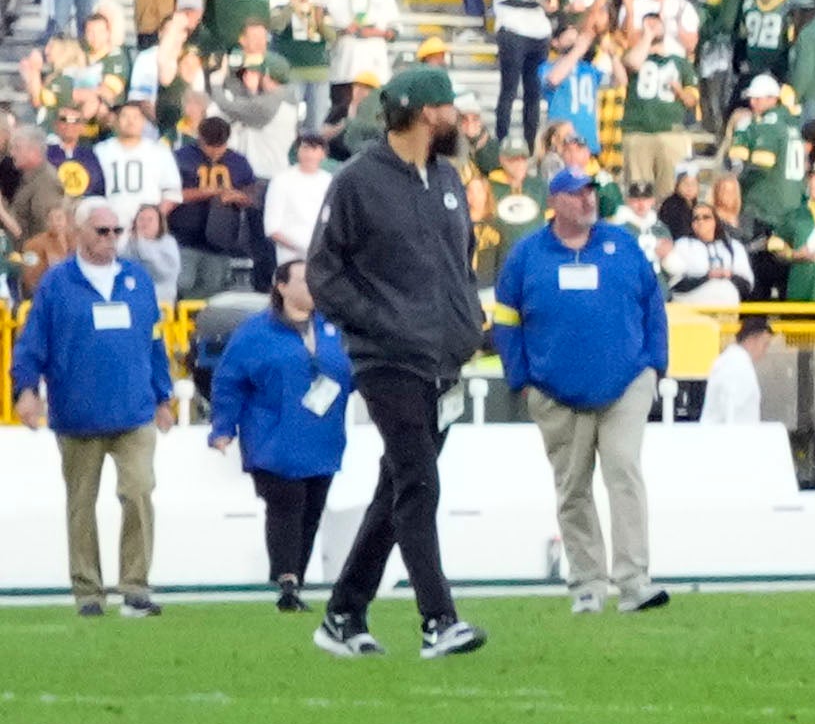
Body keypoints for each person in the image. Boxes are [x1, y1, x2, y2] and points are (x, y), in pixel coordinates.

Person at [306, 64, 490, 658]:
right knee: (418, 480)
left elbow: (459, 264)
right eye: (447, 108)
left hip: (442, 357)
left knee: (399, 485)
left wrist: (465, 327)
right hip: (387, 358)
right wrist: (382, 321)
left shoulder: (447, 178)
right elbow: (324, 273)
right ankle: (438, 618)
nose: (456, 118)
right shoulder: (358, 182)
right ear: (419, 113)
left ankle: (344, 612)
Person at [492, 167, 669, 616]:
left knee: (624, 470)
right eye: (576, 193)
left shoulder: (623, 245)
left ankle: (634, 580)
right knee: (572, 488)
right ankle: (588, 581)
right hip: (555, 391)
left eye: (590, 191)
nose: (588, 199)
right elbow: (506, 321)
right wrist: (524, 381)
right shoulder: (527, 255)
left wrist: (654, 365)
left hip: (626, 383)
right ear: (555, 201)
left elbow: (653, 303)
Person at [18, 192, 173, 611]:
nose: (111, 238)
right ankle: (88, 590)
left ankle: (135, 586)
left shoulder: (137, 280)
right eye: (102, 230)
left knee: (139, 492)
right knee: (81, 506)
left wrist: (164, 395)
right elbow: (33, 341)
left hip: (134, 410)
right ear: (80, 231)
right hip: (77, 415)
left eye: (116, 231)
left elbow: (154, 341)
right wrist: (26, 389)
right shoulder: (56, 282)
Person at [205, 259, 353, 611]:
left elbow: (352, 373)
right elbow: (229, 381)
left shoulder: (333, 328)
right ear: (282, 286)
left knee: (312, 510)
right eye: (303, 280)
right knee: (286, 504)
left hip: (321, 436)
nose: (311, 287)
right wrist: (223, 427)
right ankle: (286, 579)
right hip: (273, 438)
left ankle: (294, 579)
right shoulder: (256, 332)